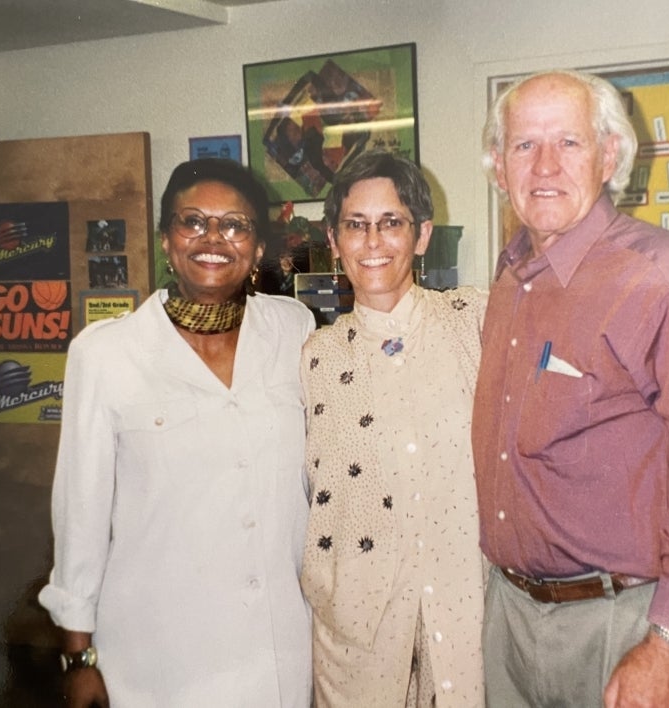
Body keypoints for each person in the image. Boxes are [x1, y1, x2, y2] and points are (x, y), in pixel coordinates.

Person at [473, 69, 669, 707]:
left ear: (610, 156)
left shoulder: (668, 278)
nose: (545, 165)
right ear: (498, 166)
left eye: (570, 143)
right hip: (514, 621)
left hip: (632, 622)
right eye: (525, 145)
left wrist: (668, 643)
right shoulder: (510, 280)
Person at [38, 159, 316, 707]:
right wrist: (78, 655)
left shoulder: (293, 329)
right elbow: (81, 513)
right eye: (193, 221)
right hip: (158, 653)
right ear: (167, 240)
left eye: (235, 224)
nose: (214, 238)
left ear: (258, 247)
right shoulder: (105, 354)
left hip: (277, 645)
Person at [300, 150, 488, 707]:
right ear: (334, 241)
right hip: (358, 638)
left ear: (422, 234)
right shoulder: (315, 357)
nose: (373, 241)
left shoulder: (474, 321)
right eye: (355, 226)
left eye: (391, 223)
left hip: (465, 618)